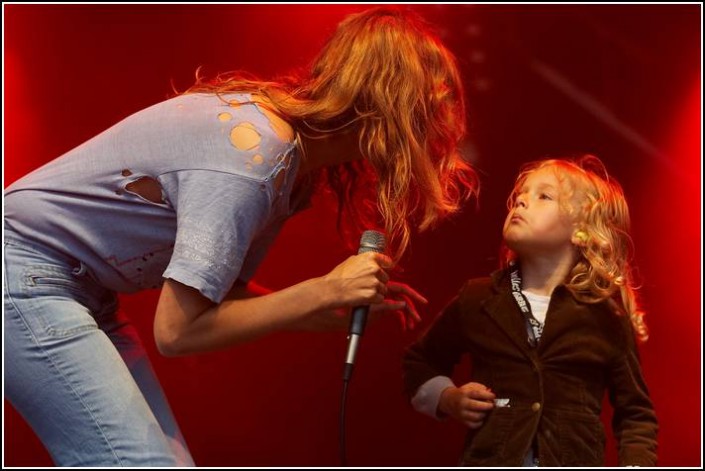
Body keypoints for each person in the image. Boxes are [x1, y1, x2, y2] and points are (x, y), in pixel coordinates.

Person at [3, 7, 478, 467]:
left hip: (77, 289)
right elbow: (176, 331)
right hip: (22, 271)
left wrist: (320, 310)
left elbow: (220, 295)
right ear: (390, 104)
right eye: (429, 109)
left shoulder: (291, 167)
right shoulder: (257, 156)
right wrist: (321, 290)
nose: (436, 130)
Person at [402, 155, 658, 467]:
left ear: (581, 230)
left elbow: (636, 414)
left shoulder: (605, 317)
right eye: (520, 195)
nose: (521, 201)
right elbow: (419, 362)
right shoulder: (479, 298)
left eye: (543, 196)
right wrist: (447, 398)